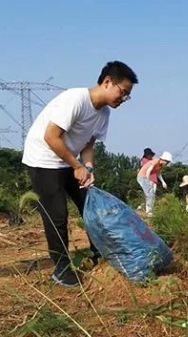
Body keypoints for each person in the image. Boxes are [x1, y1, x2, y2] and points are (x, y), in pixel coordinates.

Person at [22, 61, 138, 287]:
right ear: (107, 82)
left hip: (68, 160)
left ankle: (99, 254)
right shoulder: (75, 99)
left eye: (127, 96)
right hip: (43, 159)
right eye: (123, 92)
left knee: (91, 206)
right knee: (57, 216)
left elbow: (88, 145)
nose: (123, 99)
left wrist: (88, 168)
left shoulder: (103, 113)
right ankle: (61, 268)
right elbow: (51, 137)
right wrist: (77, 166)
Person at [137, 151, 172, 216]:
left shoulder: (160, 165)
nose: (167, 164)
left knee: (151, 193)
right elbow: (149, 170)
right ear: (164, 160)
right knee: (150, 193)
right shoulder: (156, 161)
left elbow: (158, 173)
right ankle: (148, 211)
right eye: (167, 162)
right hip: (142, 177)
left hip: (145, 177)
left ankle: (149, 210)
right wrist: (148, 180)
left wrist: (163, 182)